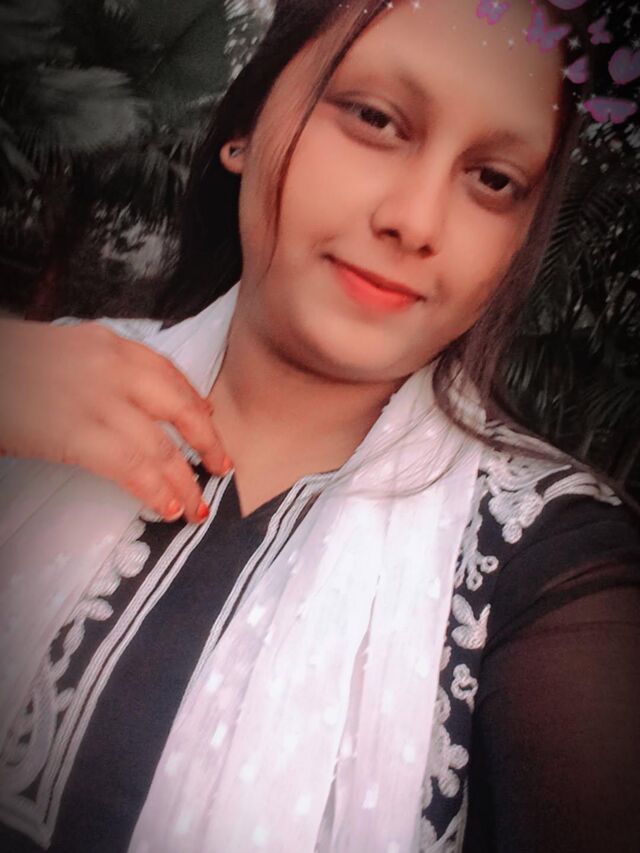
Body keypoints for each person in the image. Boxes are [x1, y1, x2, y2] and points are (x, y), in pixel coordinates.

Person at [0, 1, 639, 851]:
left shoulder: (547, 565)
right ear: (244, 126)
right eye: (374, 118)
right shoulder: (32, 392)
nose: (416, 221)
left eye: (493, 179)